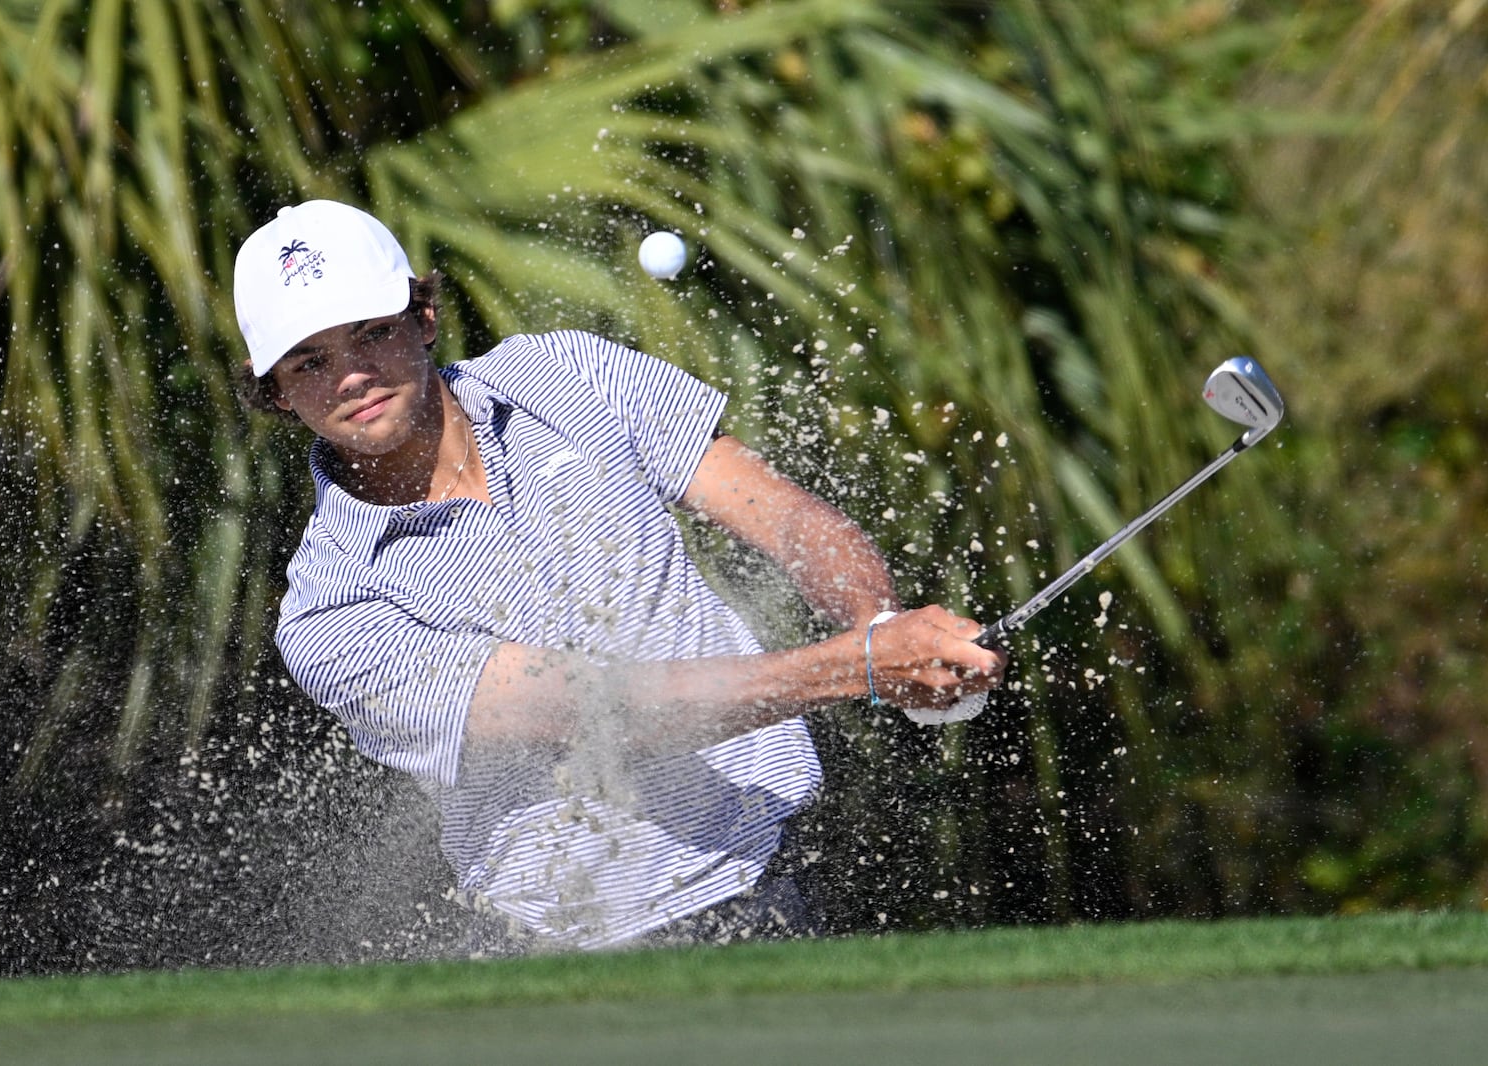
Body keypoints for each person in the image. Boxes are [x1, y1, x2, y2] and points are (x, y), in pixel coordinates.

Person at [232, 199, 1005, 951]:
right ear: (276, 391)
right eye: (310, 361)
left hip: (775, 864)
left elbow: (784, 517)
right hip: (582, 948)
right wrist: (862, 667)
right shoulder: (329, 612)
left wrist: (877, 622)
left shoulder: (563, 373)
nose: (351, 376)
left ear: (423, 319)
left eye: (370, 334)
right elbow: (600, 713)